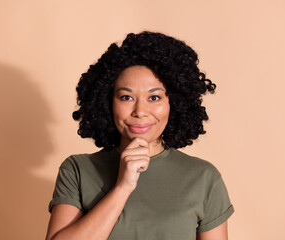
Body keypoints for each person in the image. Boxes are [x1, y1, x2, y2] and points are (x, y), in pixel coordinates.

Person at [45, 31, 234, 240]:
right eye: (126, 97)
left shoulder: (204, 178)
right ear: (108, 102)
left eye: (154, 97)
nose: (140, 111)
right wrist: (123, 187)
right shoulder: (77, 170)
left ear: (175, 103)